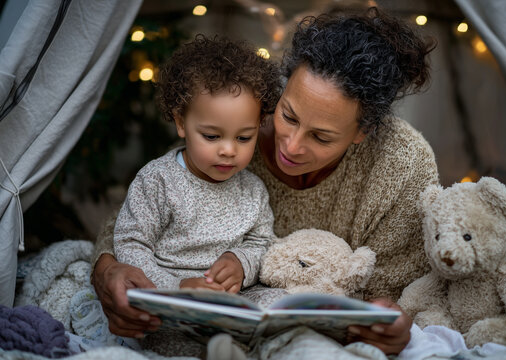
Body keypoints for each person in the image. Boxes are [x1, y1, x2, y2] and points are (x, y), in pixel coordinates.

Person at [91, 7, 438, 355]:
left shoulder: (402, 166)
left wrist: (384, 323)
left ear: (363, 132)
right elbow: (133, 222)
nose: (292, 144)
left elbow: (395, 289)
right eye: (287, 115)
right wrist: (109, 272)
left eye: (321, 137)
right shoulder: (240, 119)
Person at [112, 35, 281, 293]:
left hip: (231, 298)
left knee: (276, 302)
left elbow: (263, 243)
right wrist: (176, 287)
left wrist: (241, 263)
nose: (228, 150)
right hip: (168, 295)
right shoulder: (158, 180)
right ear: (181, 123)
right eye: (212, 136)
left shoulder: (253, 190)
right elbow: (130, 243)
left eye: (244, 137)